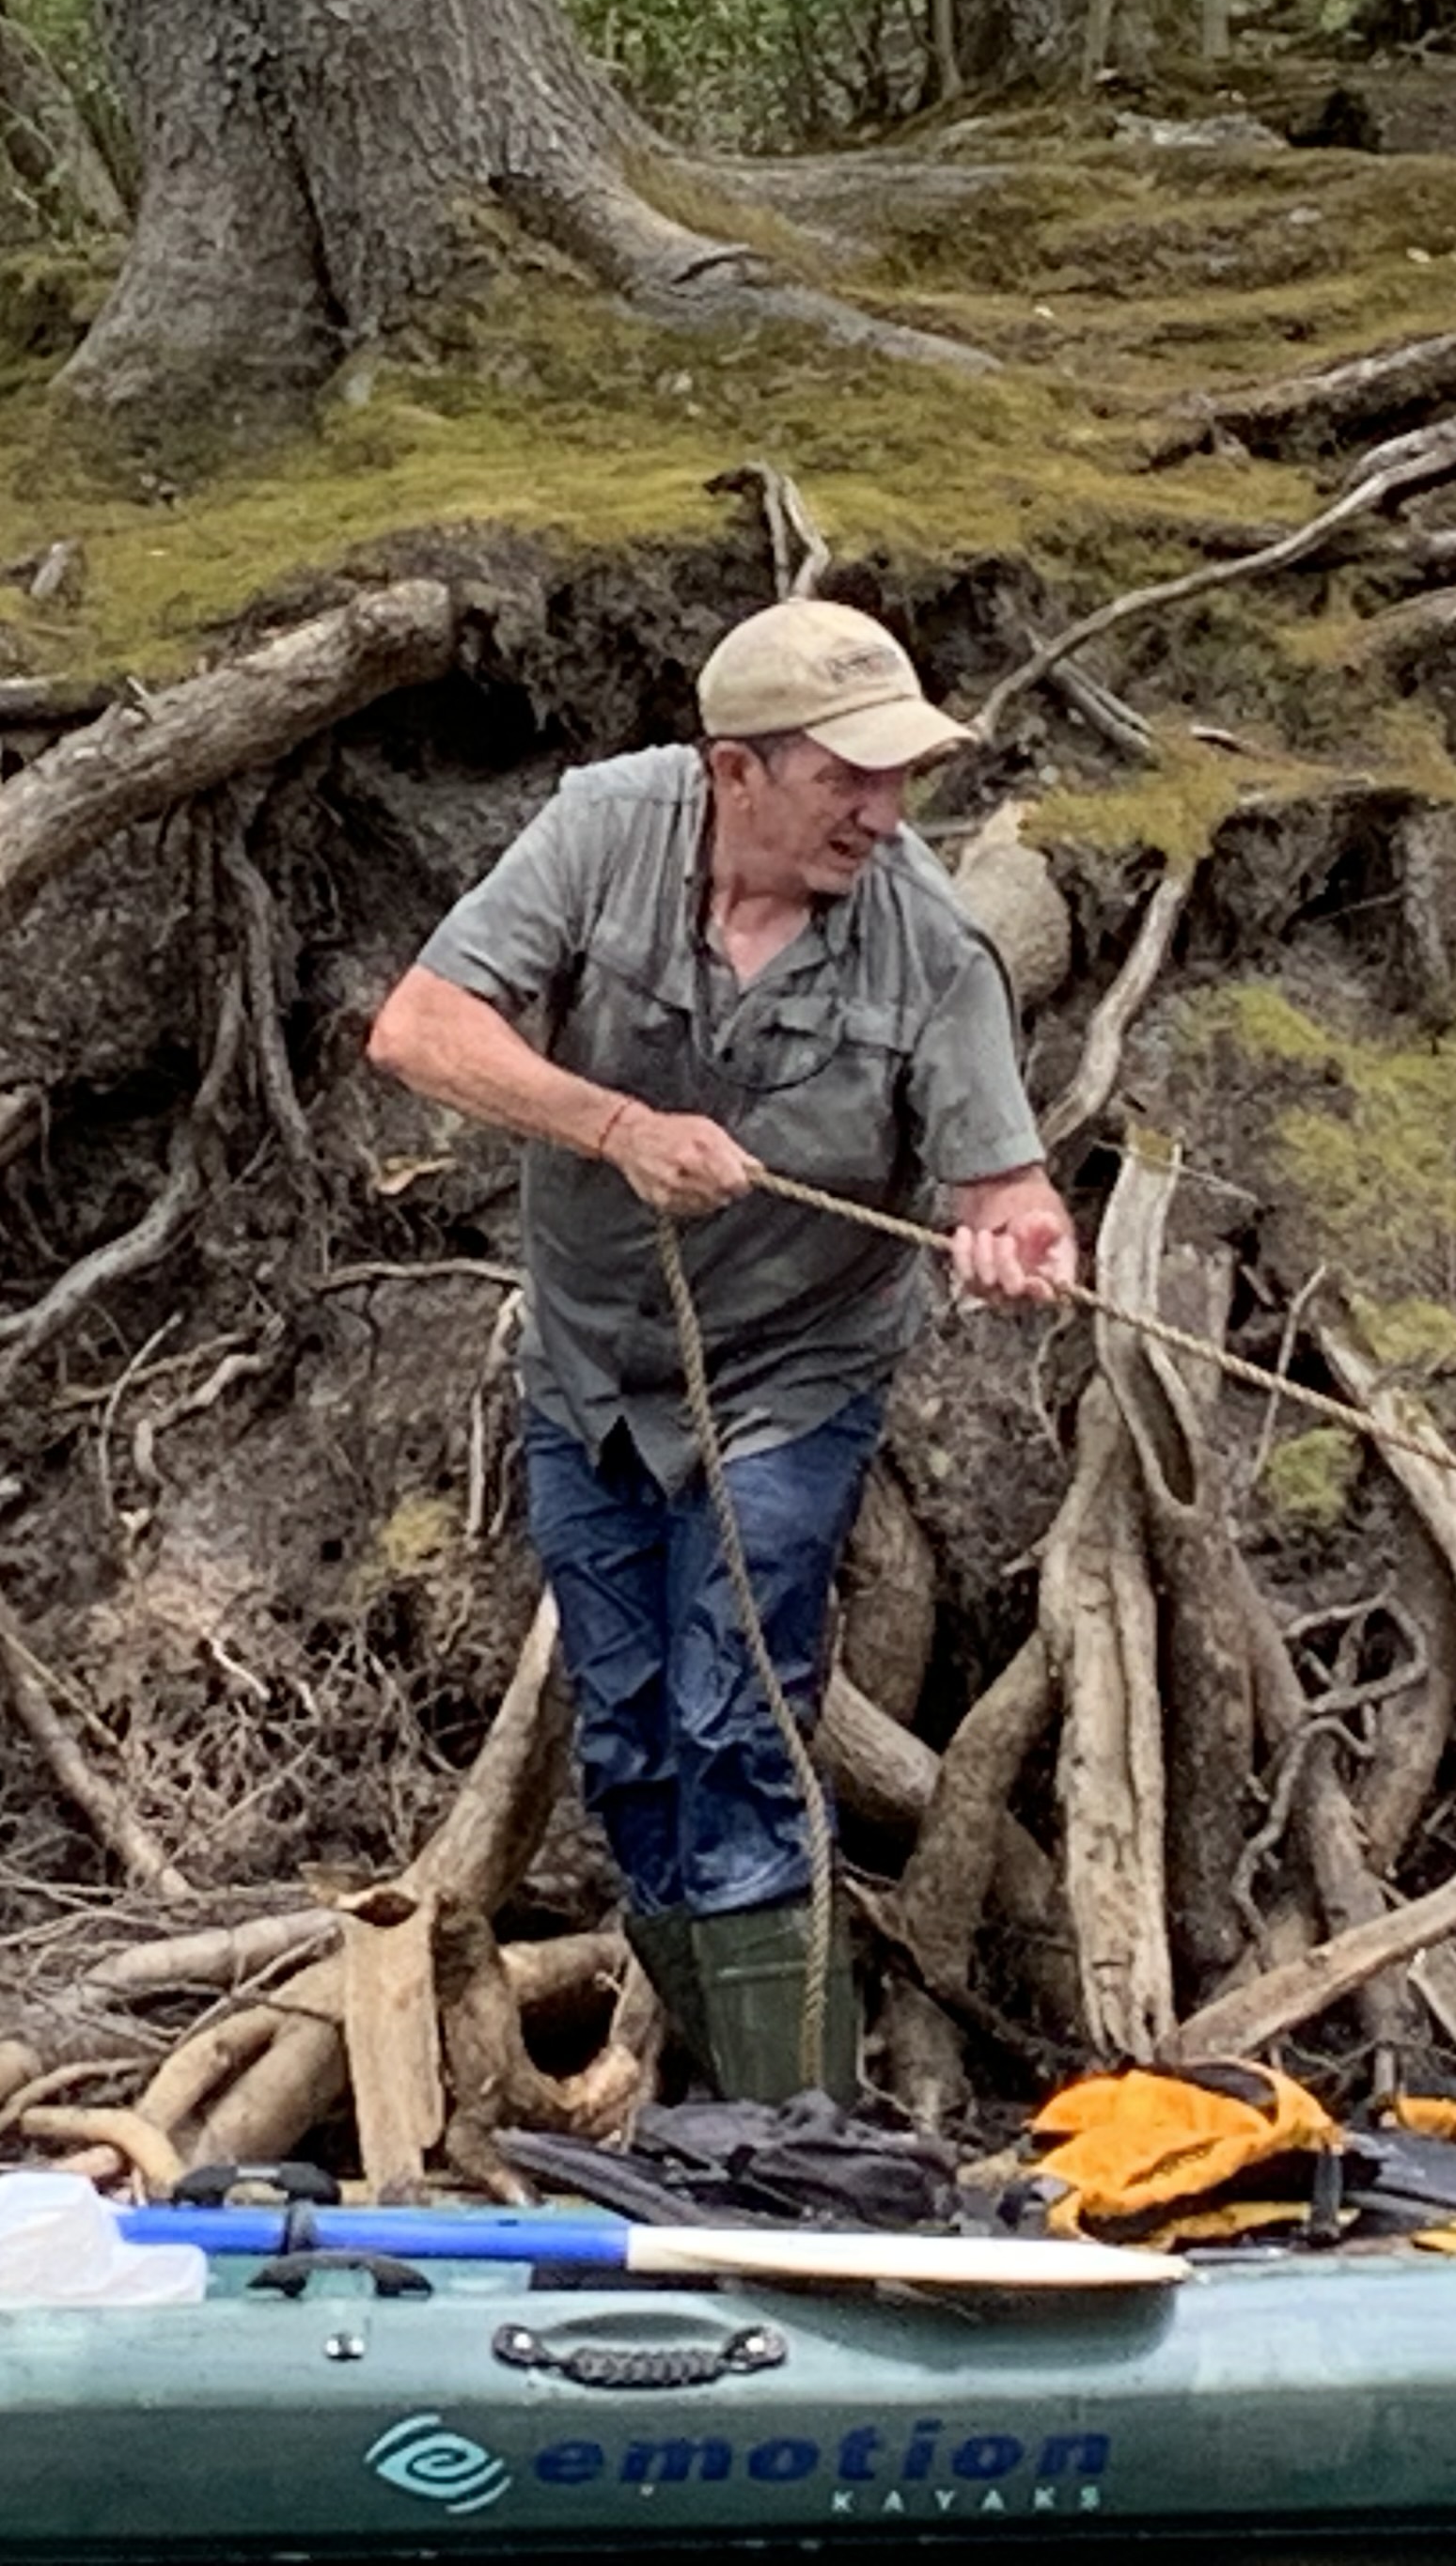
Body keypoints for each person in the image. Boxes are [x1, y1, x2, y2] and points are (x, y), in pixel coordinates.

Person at [366, 596, 1076, 2101]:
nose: (883, 813)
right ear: (734, 771)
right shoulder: (599, 832)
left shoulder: (933, 943)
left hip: (791, 1382)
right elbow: (420, 1030)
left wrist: (1017, 1246)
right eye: (848, 779)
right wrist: (615, 1128)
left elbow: (1007, 1192)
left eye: (901, 778)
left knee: (736, 1723)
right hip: (586, 1374)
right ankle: (710, 2108)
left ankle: (801, 2137)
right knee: (625, 1744)